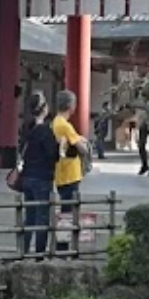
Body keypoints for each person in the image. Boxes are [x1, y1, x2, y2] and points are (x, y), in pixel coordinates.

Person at [16, 94, 58, 257]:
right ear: (43, 109)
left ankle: (24, 250)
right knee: (42, 217)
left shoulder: (27, 129)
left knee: (30, 215)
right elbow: (52, 155)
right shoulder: (45, 131)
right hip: (42, 177)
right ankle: (39, 253)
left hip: (27, 176)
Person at [50, 89, 87, 254]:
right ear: (70, 106)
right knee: (67, 213)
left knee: (66, 210)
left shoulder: (55, 122)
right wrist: (81, 141)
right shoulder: (65, 126)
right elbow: (82, 149)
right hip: (70, 174)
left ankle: (63, 245)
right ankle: (63, 247)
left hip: (60, 172)